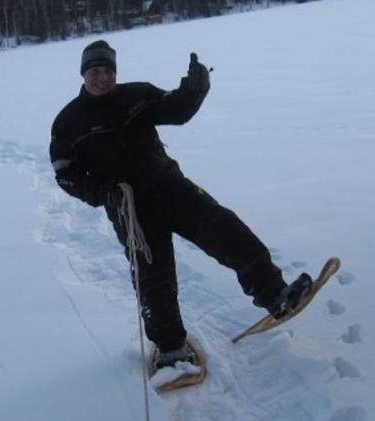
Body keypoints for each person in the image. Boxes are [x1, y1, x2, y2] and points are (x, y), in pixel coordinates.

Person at [50, 40, 311, 373]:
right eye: (95, 71)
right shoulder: (69, 121)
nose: (102, 78)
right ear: (84, 74)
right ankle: (170, 347)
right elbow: (65, 174)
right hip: (131, 210)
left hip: (171, 187)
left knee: (225, 228)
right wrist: (103, 193)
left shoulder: (137, 94)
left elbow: (176, 109)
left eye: (108, 70)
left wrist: (194, 88)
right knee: (153, 277)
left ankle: (275, 294)